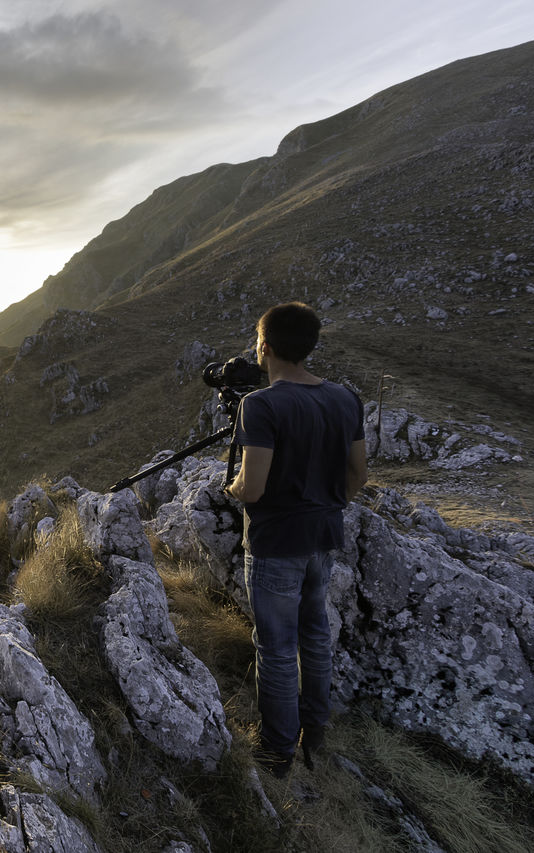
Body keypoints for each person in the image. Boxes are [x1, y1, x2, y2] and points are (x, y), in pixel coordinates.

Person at [225, 301, 367, 778]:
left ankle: (277, 751)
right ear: (310, 346)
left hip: (275, 544)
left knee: (278, 648)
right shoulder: (345, 398)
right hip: (323, 537)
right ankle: (315, 732)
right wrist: (330, 506)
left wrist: (233, 488)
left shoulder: (261, 405)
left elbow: (255, 486)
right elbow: (358, 473)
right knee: (314, 635)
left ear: (264, 346)